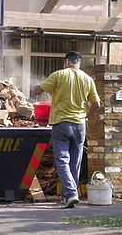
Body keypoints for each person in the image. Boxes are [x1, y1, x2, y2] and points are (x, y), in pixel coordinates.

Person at [32, 51, 100, 208]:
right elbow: (96, 104)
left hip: (62, 124)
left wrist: (37, 86)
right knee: (75, 162)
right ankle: (68, 196)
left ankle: (70, 193)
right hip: (79, 125)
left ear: (67, 62)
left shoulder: (59, 75)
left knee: (62, 160)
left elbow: (37, 91)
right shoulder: (88, 79)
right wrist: (85, 116)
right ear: (79, 63)